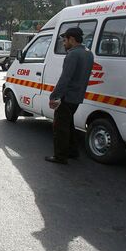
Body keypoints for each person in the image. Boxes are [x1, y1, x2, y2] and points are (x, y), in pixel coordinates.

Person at [45, 27, 94, 164]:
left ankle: (60, 156)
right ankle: (72, 151)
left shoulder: (73, 55)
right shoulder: (88, 53)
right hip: (77, 97)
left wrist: (54, 96)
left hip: (67, 96)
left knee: (60, 128)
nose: (63, 43)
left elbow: (65, 78)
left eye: (65, 40)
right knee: (68, 124)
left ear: (72, 39)